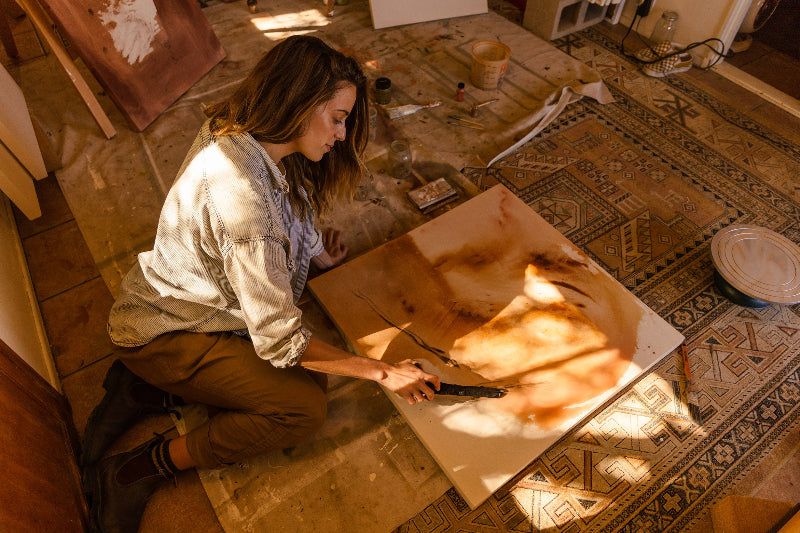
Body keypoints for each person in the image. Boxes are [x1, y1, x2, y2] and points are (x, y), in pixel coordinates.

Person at [81, 35, 441, 533]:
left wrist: (315, 252)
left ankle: (147, 392)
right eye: (338, 118)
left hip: (187, 307)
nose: (342, 135)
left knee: (312, 377)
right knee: (303, 410)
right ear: (300, 102)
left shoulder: (247, 131)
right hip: (168, 332)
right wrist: (383, 373)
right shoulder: (245, 204)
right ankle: (137, 468)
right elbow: (279, 338)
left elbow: (291, 198)